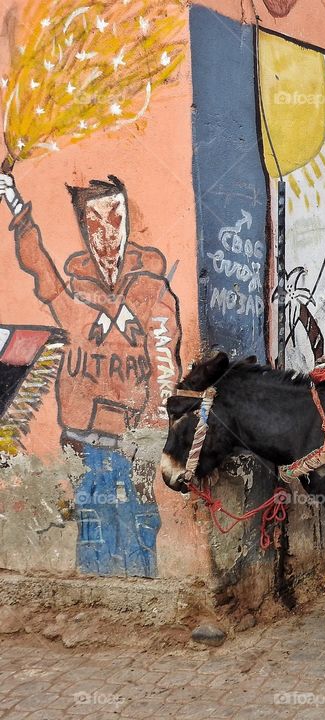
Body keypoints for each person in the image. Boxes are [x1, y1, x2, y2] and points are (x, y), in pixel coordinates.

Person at [0, 171, 181, 577]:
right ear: (83, 227)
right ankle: (101, 592)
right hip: (83, 433)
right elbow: (38, 265)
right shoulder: (75, 295)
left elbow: (165, 353)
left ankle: (140, 590)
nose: (107, 233)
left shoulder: (152, 290)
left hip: (135, 434)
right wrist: (14, 203)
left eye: (115, 219)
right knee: (93, 513)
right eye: (95, 223)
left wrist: (158, 413)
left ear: (127, 221)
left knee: (138, 513)